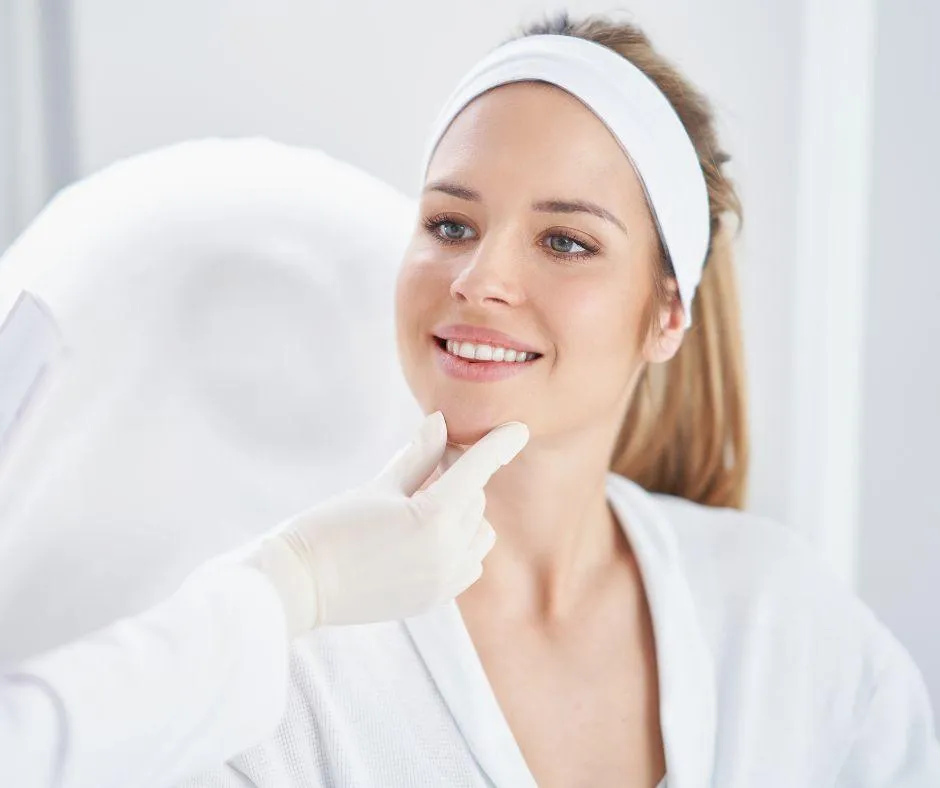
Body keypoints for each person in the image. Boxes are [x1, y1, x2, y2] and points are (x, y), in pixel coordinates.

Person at [180, 12, 938, 788]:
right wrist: (281, 597)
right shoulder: (280, 653)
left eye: (566, 241)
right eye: (450, 224)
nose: (478, 279)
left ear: (668, 314)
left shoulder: (790, 631)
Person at [1, 411, 529, 788]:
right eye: (452, 243)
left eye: (566, 248)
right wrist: (303, 579)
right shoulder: (302, 679)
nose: (475, 291)